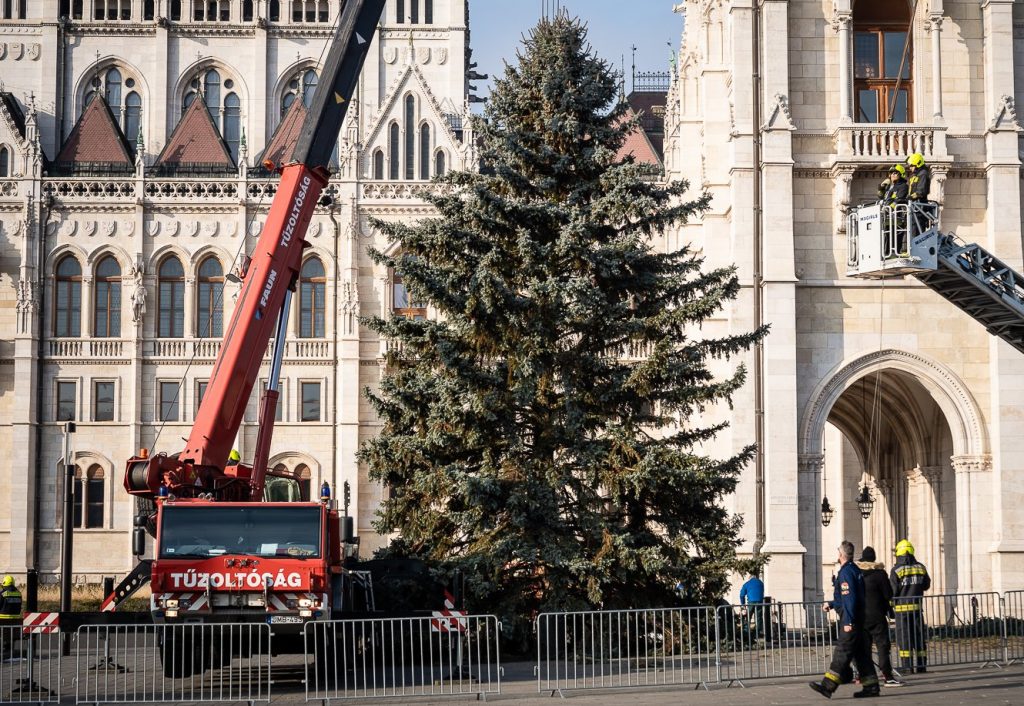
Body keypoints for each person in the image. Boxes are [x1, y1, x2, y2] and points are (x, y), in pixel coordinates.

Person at [809, 541, 879, 699]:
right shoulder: (855, 569)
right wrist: (833, 604)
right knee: (861, 655)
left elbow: (850, 599)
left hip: (851, 620)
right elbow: (849, 598)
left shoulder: (846, 572)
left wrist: (848, 622)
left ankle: (828, 686)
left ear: (840, 554)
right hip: (858, 618)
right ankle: (872, 686)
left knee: (842, 651)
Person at [856, 546, 901, 687]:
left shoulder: (857, 573)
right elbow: (888, 594)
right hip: (877, 615)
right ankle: (887, 676)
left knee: (864, 648)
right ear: (874, 559)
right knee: (882, 646)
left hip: (861, 616)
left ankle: (863, 676)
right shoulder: (880, 574)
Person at [891, 539, 931, 674]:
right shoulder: (921, 567)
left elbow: (893, 591)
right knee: (919, 637)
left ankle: (907, 667)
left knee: (905, 638)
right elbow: (926, 585)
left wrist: (889, 608)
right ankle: (921, 666)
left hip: (902, 612)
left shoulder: (897, 570)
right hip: (917, 609)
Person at [906, 153, 935, 235]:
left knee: (917, 231)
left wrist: (910, 197)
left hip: (919, 207)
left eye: (912, 166)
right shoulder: (915, 175)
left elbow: (921, 191)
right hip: (914, 206)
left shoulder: (923, 174)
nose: (910, 168)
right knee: (912, 230)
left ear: (917, 164)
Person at [739, 571, 767, 643]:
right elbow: (762, 591)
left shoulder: (747, 584)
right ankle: (757, 633)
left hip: (751, 602)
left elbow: (742, 595)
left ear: (750, 578)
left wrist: (743, 604)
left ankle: (746, 633)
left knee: (748, 617)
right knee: (759, 618)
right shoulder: (761, 583)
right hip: (760, 602)